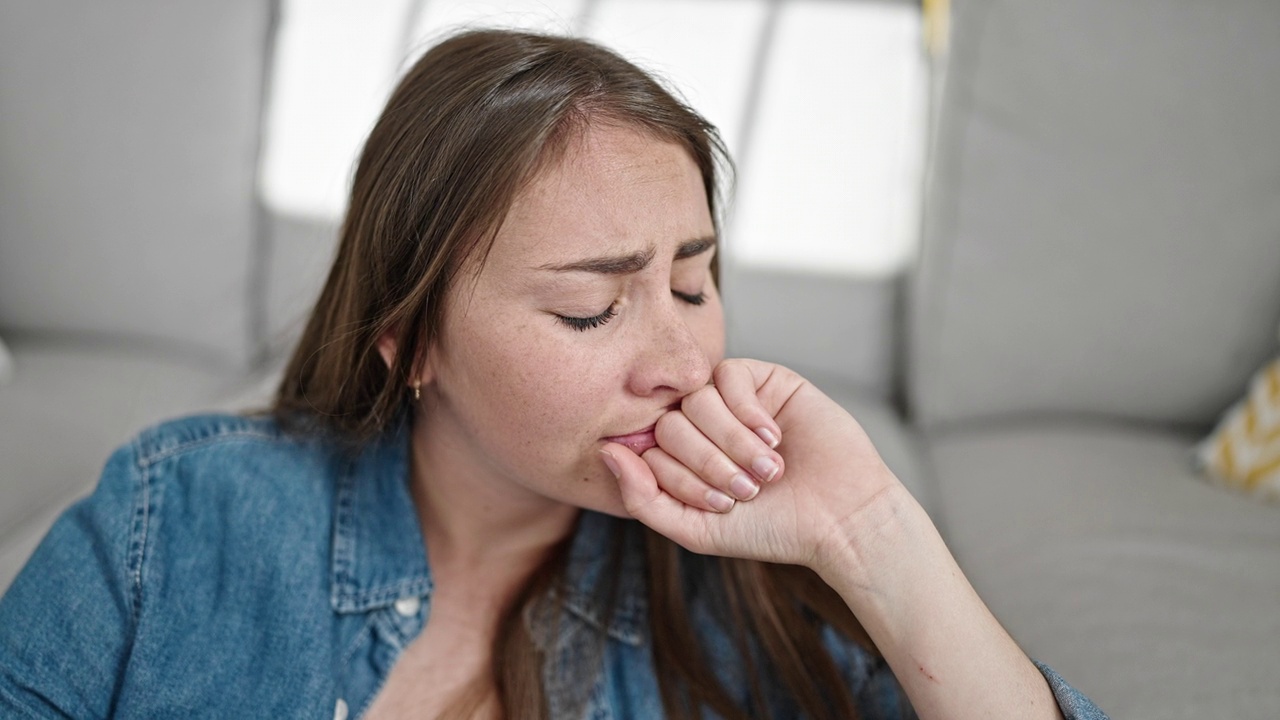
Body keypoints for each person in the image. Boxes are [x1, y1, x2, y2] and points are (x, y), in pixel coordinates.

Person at [0, 29, 1108, 720]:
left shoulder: (751, 617)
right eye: (591, 307)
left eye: (692, 284)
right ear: (409, 338)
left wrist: (873, 536)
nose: (684, 364)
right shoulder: (174, 520)